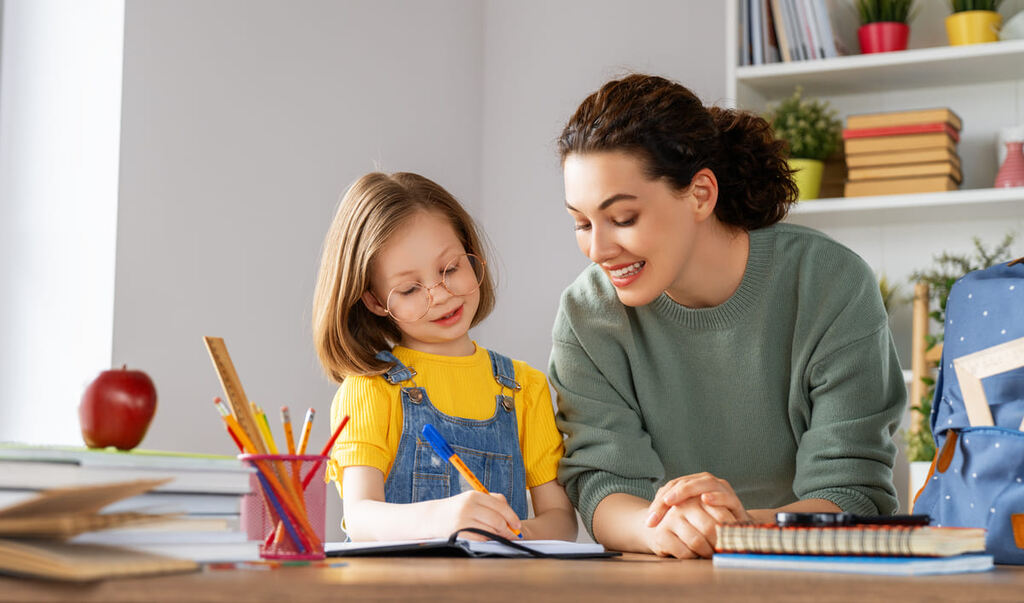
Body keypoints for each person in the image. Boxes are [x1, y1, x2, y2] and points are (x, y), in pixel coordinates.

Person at [550, 74, 906, 558]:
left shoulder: (828, 283)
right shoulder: (586, 314)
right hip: (661, 573)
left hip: (814, 573)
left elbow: (854, 493)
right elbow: (602, 485)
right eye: (582, 222)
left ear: (700, 194)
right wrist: (656, 530)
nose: (598, 249)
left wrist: (741, 528)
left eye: (624, 218)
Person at [312, 172, 577, 542]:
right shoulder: (369, 390)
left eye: (450, 268)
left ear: (472, 255)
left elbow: (561, 522)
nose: (439, 294)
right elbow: (360, 517)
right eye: (409, 289)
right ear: (374, 301)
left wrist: (509, 531)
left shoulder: (524, 388)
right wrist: (447, 517)